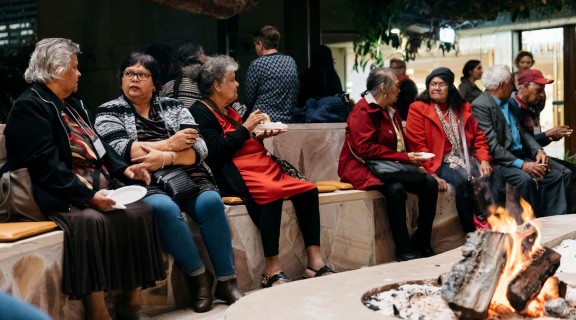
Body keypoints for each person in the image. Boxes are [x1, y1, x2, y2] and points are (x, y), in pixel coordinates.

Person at [2, 38, 165, 320]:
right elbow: (46, 168)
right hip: (54, 191)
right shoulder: (31, 106)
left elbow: (99, 145)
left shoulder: (74, 104)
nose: (79, 74)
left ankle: (131, 300)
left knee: (140, 210)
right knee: (91, 220)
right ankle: (97, 309)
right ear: (56, 69)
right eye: (74, 68)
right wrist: (87, 197)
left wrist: (124, 170)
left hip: (90, 183)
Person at [95, 52, 243, 312]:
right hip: (144, 180)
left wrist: (163, 157)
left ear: (155, 82)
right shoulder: (108, 111)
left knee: (210, 202)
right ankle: (198, 278)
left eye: (142, 75)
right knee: (163, 209)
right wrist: (171, 144)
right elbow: (122, 150)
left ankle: (226, 281)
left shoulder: (174, 106)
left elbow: (199, 147)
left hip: (188, 175)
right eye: (129, 73)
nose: (134, 79)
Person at [190, 55, 334, 288]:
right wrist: (246, 129)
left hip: (260, 166)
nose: (238, 84)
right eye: (232, 79)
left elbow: (241, 140)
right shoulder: (199, 111)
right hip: (233, 173)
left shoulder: (228, 109)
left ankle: (315, 263)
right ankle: (272, 270)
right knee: (272, 192)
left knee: (308, 189)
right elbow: (215, 151)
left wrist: (258, 135)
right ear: (217, 85)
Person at [338, 67, 438, 261]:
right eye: (397, 86)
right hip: (365, 168)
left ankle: (422, 241)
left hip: (391, 167)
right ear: (383, 87)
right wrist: (405, 158)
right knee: (396, 189)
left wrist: (414, 159)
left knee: (430, 183)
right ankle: (404, 250)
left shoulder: (391, 109)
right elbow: (365, 150)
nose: (399, 90)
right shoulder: (363, 110)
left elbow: (400, 142)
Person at [471, 65, 568, 218]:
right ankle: (536, 223)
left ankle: (554, 220)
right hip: (500, 161)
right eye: (511, 83)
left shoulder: (509, 102)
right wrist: (522, 165)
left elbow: (523, 133)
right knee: (525, 180)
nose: (514, 87)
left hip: (520, 155)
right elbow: (493, 147)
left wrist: (538, 150)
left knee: (554, 176)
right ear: (502, 84)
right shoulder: (481, 105)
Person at [406, 67, 493, 233]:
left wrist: (484, 160)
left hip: (467, 158)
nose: (436, 88)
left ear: (450, 87)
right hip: (440, 161)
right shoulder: (418, 108)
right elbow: (417, 145)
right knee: (463, 183)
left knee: (490, 177)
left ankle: (492, 223)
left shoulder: (463, 108)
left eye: (441, 84)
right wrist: (432, 173)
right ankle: (471, 233)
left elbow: (479, 137)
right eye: (432, 84)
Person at [511, 69, 575, 213]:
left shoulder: (531, 107)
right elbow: (522, 142)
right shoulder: (513, 107)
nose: (541, 95)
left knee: (571, 172)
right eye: (539, 90)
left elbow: (534, 141)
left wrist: (550, 137)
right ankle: (556, 218)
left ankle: (568, 217)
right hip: (521, 157)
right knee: (563, 173)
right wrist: (547, 135)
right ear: (526, 86)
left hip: (533, 154)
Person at [244, 25, 299, 123]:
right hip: (288, 120)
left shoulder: (257, 64)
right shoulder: (290, 61)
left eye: (255, 45)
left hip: (263, 121)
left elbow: (248, 98)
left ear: (260, 45)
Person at [160, 41, 206, 107]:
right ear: (199, 56)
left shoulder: (167, 87)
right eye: (203, 54)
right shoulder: (207, 87)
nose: (206, 57)